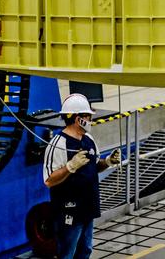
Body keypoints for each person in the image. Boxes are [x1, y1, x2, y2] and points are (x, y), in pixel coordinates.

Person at [42, 93, 121, 259]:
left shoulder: (88, 139)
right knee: (67, 253)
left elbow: (93, 167)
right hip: (69, 211)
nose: (90, 120)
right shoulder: (58, 144)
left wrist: (108, 162)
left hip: (88, 207)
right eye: (88, 117)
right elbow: (49, 180)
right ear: (78, 119)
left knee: (85, 250)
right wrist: (70, 167)